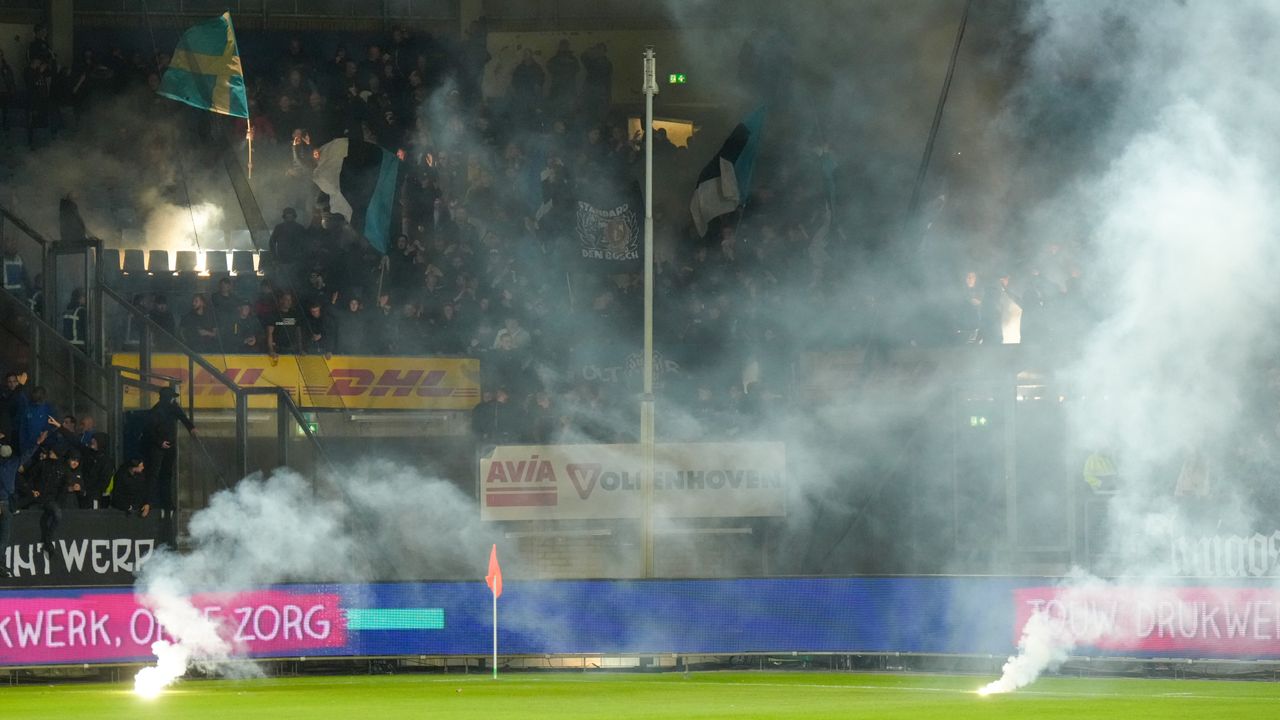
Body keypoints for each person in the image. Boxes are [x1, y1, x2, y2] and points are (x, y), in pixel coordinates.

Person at [141, 387, 195, 515]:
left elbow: (182, 417)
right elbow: (149, 431)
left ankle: (162, 502)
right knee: (159, 475)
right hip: (159, 447)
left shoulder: (164, 409)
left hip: (165, 445)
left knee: (163, 475)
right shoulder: (158, 411)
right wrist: (160, 442)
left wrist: (191, 428)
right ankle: (152, 502)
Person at [0, 429, 44, 577]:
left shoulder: (12, 463)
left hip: (5, 502)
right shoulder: (13, 463)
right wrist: (37, 443)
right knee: (4, 537)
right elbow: (27, 454)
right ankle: (1, 565)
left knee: (4, 537)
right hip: (6, 502)